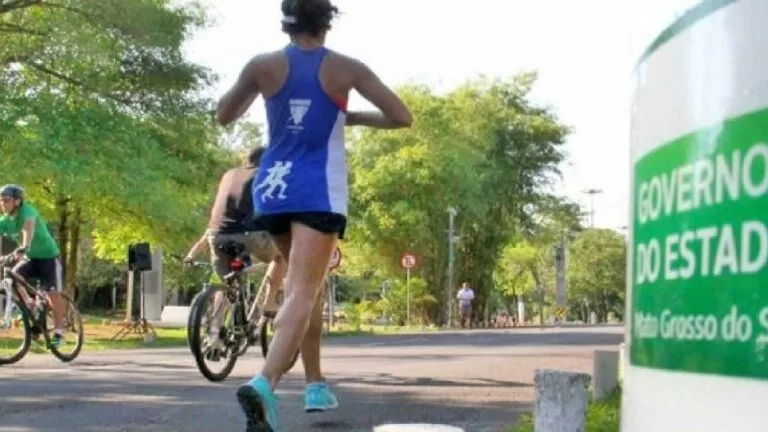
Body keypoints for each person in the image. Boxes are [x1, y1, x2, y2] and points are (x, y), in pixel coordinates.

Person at [216, 0, 412, 429]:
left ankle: (315, 384)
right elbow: (401, 117)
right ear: (326, 24)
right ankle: (264, 382)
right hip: (318, 190)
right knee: (301, 291)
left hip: (273, 189)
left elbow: (223, 114)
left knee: (306, 287)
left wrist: (255, 92)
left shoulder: (262, 65)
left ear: (286, 25)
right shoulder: (346, 68)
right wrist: (351, 116)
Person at [184, 148, 287, 350]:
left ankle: (214, 337)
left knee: (228, 284)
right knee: (282, 255)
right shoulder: (265, 173)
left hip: (216, 235)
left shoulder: (229, 174)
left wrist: (191, 255)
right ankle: (269, 301)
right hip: (249, 234)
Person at [0, 184, 66, 346]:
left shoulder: (28, 211)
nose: (2, 204)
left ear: (17, 201)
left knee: (54, 294)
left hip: (49, 258)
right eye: (1, 201)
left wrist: (24, 246)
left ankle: (59, 334)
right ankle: (30, 305)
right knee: (12, 278)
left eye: (6, 200)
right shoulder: (5, 220)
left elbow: (27, 229)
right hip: (30, 259)